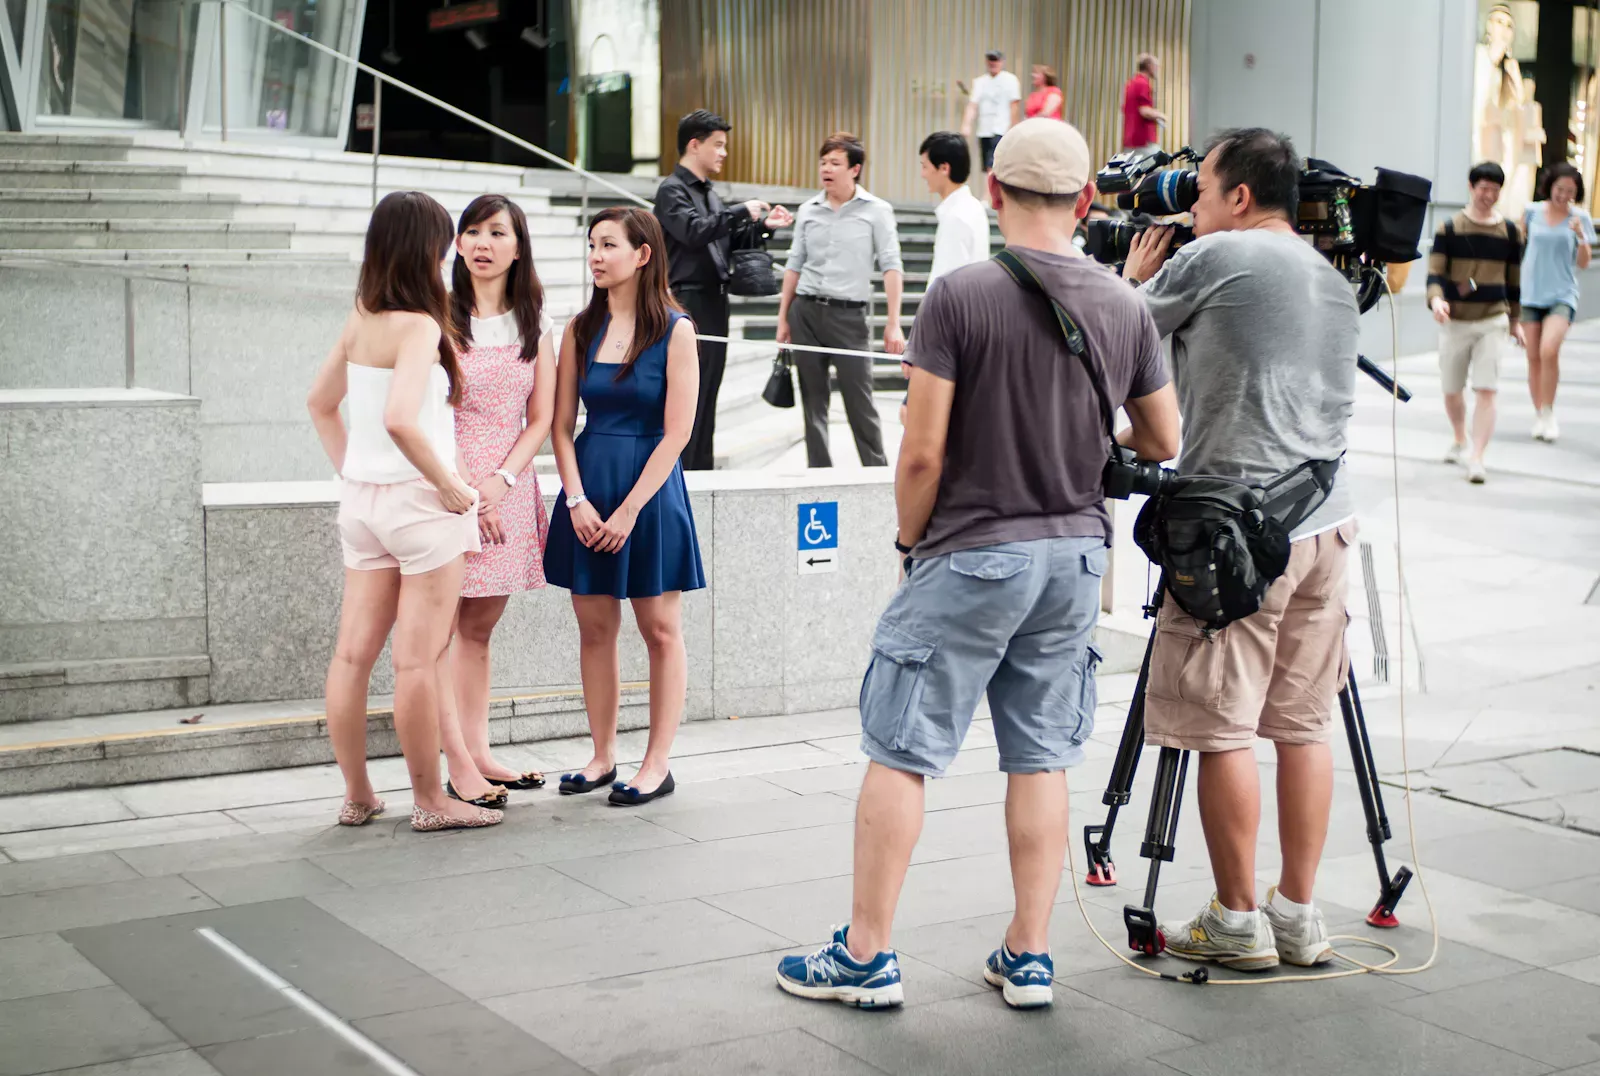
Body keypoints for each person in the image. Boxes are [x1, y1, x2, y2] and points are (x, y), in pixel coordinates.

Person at [776, 119, 1180, 1011]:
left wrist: (908, 545)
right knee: (1039, 757)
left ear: (994, 193)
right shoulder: (1123, 304)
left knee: (902, 751)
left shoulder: (960, 295)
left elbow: (919, 455)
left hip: (971, 550)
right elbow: (1163, 438)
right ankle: (1030, 955)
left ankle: (868, 955)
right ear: (1085, 202)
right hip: (1075, 557)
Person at [1120, 127, 1360, 971]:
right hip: (1328, 525)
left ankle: (1236, 920)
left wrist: (1133, 279)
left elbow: (1121, 341)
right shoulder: (1334, 280)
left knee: (1220, 727)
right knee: (1302, 725)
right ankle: (1299, 914)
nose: (1191, 208)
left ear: (1241, 199)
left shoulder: (1216, 256)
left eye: (1203, 192)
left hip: (1237, 538)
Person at [306, 191, 503, 833]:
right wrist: (448, 485)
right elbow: (399, 419)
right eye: (445, 240)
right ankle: (430, 802)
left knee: (350, 658)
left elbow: (319, 403)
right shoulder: (420, 325)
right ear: (427, 248)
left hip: (362, 504)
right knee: (417, 660)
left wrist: (354, 472)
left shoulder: (361, 315)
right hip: (420, 507)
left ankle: (358, 795)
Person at [544, 207, 704, 807]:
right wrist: (578, 499)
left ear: (642, 254)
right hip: (589, 486)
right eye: (591, 244)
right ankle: (602, 755)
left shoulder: (675, 329)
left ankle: (656, 763)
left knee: (660, 630)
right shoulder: (579, 329)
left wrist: (631, 509)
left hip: (650, 494)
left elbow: (677, 434)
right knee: (594, 629)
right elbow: (561, 427)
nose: (596, 255)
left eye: (608, 244)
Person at [434, 193, 558, 804]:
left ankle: (479, 753)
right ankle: (455, 763)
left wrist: (501, 484)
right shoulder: (437, 317)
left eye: (497, 232)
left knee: (479, 627)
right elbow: (434, 412)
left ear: (518, 245)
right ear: (457, 243)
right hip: (443, 486)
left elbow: (542, 417)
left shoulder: (535, 317)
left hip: (507, 487)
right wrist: (465, 490)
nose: (483, 243)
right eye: (473, 231)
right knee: (439, 629)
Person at [654, 109, 795, 471]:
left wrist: (763, 226)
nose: (723, 153)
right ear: (694, 145)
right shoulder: (672, 190)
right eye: (717, 145)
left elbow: (724, 242)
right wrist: (739, 212)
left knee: (708, 391)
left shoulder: (710, 193)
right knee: (687, 395)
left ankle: (700, 469)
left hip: (715, 302)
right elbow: (693, 231)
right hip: (686, 301)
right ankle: (679, 474)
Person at [777, 132, 905, 468]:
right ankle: (819, 475)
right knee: (813, 402)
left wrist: (894, 323)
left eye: (835, 162)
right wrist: (783, 318)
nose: (826, 169)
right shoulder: (808, 210)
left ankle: (876, 476)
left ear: (854, 169)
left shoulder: (877, 211)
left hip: (849, 318)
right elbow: (794, 264)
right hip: (805, 312)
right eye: (823, 162)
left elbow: (891, 265)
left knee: (859, 402)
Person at [1426, 162, 1524, 483]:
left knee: (1487, 390)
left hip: (1493, 320)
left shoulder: (1510, 232)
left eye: (1495, 190)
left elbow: (1514, 282)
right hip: (1456, 322)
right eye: (1483, 188)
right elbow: (1435, 274)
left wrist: (1515, 321)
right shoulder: (1449, 229)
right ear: (1471, 188)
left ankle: (1477, 456)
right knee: (1452, 391)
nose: (1489, 195)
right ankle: (1459, 436)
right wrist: (1437, 300)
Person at [1520, 161, 1593, 444]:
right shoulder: (1531, 211)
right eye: (1559, 189)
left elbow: (1584, 263)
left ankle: (1549, 412)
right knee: (1533, 357)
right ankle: (1539, 413)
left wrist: (1580, 236)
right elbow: (1519, 246)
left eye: (1570, 191)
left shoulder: (1580, 218)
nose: (1563, 195)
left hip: (1562, 293)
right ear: (1549, 186)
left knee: (1549, 350)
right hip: (1530, 292)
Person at [920, 131, 992, 285]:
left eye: (925, 167)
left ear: (944, 168)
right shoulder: (972, 208)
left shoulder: (956, 217)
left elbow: (945, 286)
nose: (922, 174)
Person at [961, 51, 1022, 178]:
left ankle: (988, 196)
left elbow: (1014, 105)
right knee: (988, 165)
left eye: (996, 60)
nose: (993, 63)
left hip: (1002, 128)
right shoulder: (980, 82)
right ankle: (990, 195)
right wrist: (966, 124)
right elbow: (973, 104)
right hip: (984, 129)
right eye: (991, 60)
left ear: (1002, 62)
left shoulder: (1010, 80)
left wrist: (1013, 126)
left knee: (994, 164)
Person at [1121, 53, 1165, 157]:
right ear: (1149, 66)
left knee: (1133, 171)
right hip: (1143, 140)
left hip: (1130, 140)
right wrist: (1161, 115)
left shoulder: (1131, 83)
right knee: (1157, 169)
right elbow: (1144, 111)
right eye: (1156, 66)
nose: (1157, 69)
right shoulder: (1143, 83)